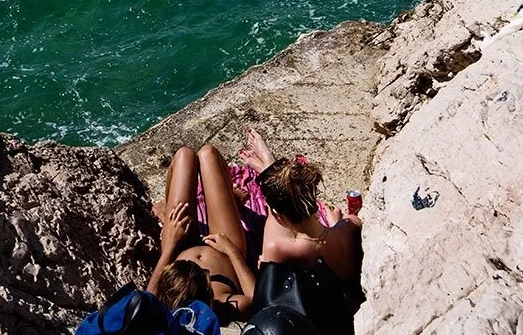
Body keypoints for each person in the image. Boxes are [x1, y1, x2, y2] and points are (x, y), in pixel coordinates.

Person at [239, 127, 362, 289]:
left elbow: (267, 290)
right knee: (282, 202)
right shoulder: (349, 225)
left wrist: (264, 264)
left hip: (325, 308)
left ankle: (270, 170)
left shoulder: (279, 249)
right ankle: (270, 170)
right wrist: (335, 224)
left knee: (277, 207)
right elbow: (352, 223)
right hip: (347, 289)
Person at [147, 144, 256, 320]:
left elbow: (149, 296)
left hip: (179, 247)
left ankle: (168, 210)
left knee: (184, 155)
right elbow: (257, 302)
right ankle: (232, 202)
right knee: (208, 153)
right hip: (223, 250)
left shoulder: (172, 307)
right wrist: (232, 251)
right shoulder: (223, 305)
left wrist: (171, 244)